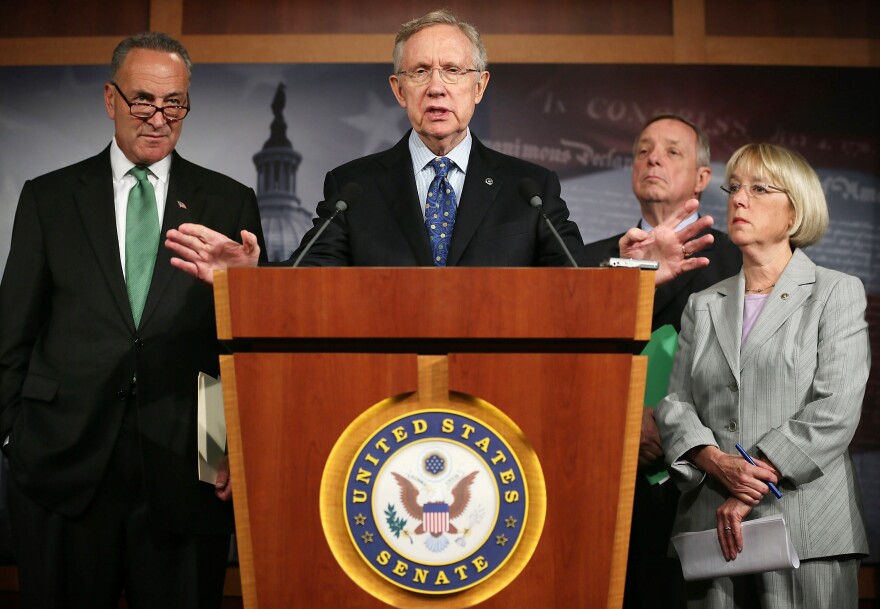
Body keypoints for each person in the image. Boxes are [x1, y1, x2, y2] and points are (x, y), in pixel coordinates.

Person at [0, 32, 266, 608]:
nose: (158, 117)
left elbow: (235, 348)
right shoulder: (48, 198)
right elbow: (12, 333)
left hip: (185, 469)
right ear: (110, 99)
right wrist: (12, 438)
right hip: (62, 467)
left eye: (174, 103)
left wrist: (247, 286)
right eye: (143, 100)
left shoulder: (230, 201)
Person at [655, 143, 868, 608]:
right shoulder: (703, 303)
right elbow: (675, 404)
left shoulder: (836, 292)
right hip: (712, 531)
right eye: (733, 188)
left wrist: (751, 480)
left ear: (795, 209)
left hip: (804, 526)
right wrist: (715, 461)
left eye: (758, 188)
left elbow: (835, 408)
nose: (738, 199)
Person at [585, 114, 743, 609]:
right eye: (643, 150)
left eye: (673, 151)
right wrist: (624, 422)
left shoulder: (738, 267)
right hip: (603, 476)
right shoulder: (587, 262)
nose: (653, 158)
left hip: (702, 483)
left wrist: (679, 436)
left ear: (701, 178)